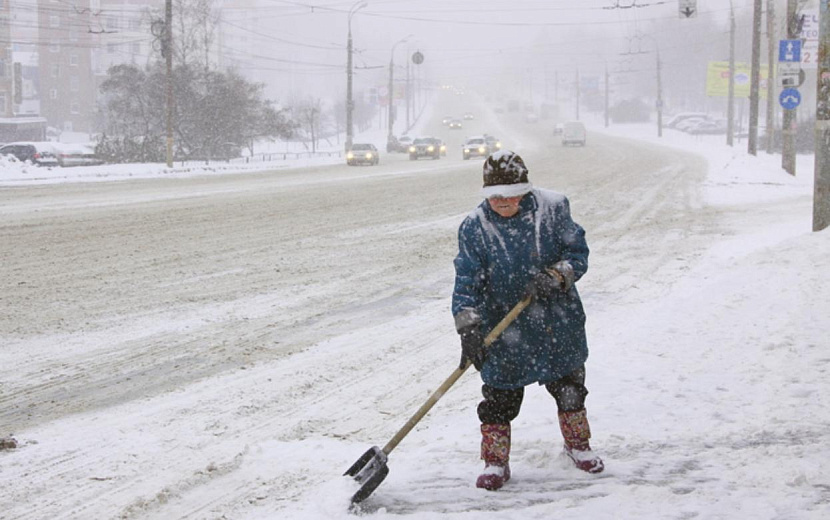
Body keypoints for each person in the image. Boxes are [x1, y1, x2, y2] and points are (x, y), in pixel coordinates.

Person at [452, 150, 604, 491]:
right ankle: (495, 461)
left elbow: (577, 254)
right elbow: (467, 280)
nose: (501, 203)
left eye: (509, 196)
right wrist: (469, 326)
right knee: (499, 400)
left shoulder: (553, 209)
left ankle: (578, 446)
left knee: (570, 390)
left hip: (555, 321)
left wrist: (556, 276)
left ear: (526, 190)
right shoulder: (475, 227)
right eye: (494, 197)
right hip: (503, 327)